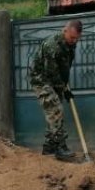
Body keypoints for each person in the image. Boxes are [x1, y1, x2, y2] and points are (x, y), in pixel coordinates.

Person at [28, 20, 83, 162]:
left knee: (54, 113)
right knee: (55, 109)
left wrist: (64, 86)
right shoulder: (52, 46)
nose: (74, 41)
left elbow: (65, 68)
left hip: (56, 80)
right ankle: (60, 147)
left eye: (77, 38)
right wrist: (62, 88)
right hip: (41, 79)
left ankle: (49, 147)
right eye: (72, 38)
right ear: (65, 31)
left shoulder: (70, 45)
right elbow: (51, 72)